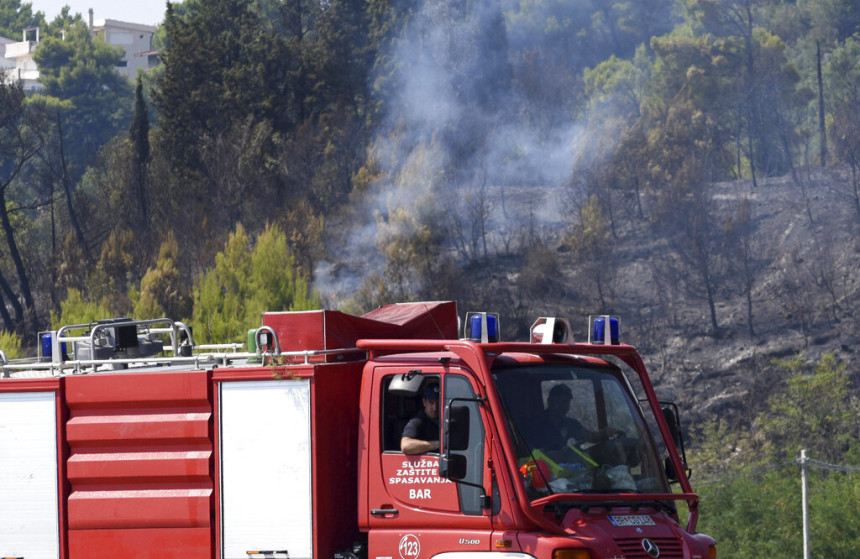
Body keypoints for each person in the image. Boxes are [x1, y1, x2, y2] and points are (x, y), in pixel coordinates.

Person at [542, 384, 590, 449]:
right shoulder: (538, 424)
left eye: (567, 401)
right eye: (560, 401)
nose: (564, 406)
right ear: (550, 401)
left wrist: (602, 434)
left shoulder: (571, 424)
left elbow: (586, 435)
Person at [401, 382, 440, 454]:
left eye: (438, 403)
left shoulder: (445, 419)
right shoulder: (417, 421)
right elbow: (405, 446)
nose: (435, 408)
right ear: (424, 402)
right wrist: (439, 444)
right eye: (431, 402)